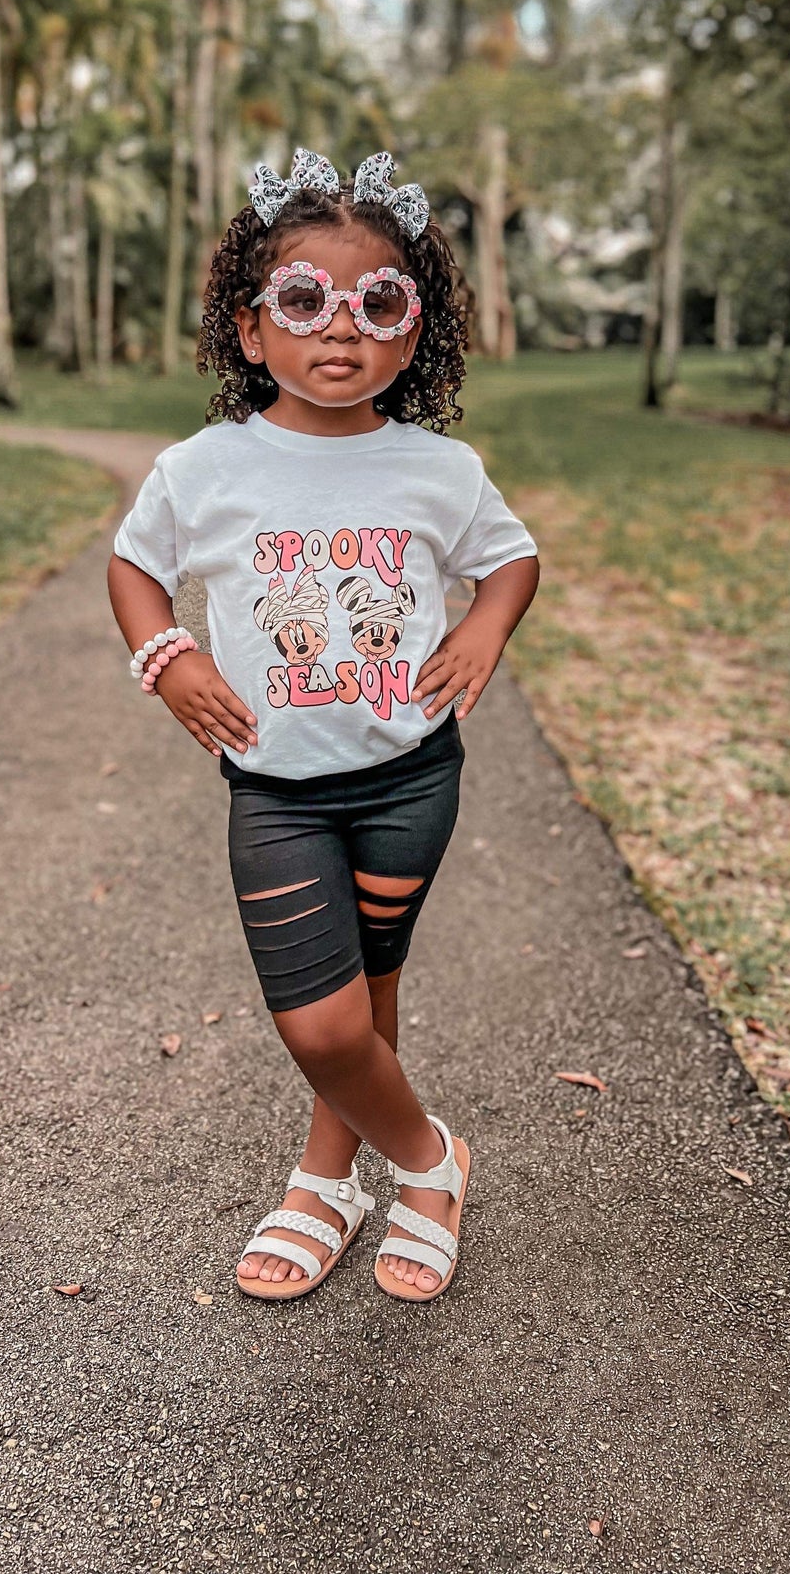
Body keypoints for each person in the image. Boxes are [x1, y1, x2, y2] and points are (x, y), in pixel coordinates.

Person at [107, 147, 539, 1303]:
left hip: (409, 777)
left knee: (367, 989)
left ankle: (324, 1174)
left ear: (413, 332)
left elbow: (509, 559)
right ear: (250, 331)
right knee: (319, 1020)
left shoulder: (438, 470)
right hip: (277, 786)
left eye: (376, 302)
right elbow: (134, 566)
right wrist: (169, 654)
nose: (336, 329)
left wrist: (484, 631)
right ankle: (428, 1162)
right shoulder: (203, 468)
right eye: (301, 299)